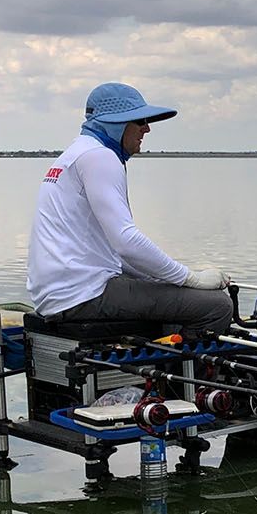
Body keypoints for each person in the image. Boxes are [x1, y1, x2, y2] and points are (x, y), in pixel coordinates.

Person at [27, 82, 233, 334]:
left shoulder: (74, 154)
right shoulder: (100, 157)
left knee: (174, 291)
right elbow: (126, 241)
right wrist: (190, 278)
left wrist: (166, 277)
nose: (147, 129)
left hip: (61, 293)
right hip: (83, 295)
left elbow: (116, 251)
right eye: (140, 121)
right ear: (116, 124)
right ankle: (188, 371)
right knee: (217, 306)